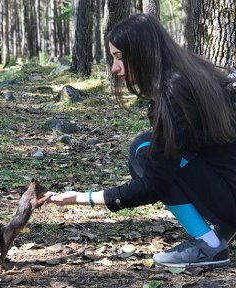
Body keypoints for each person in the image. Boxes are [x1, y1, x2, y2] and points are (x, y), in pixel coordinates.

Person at [46, 13, 236, 268]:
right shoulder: (193, 71)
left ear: (143, 53)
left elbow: (154, 184)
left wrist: (82, 197)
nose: (114, 68)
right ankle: (224, 227)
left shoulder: (172, 93)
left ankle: (209, 246)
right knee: (153, 145)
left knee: (143, 149)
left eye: (119, 58)